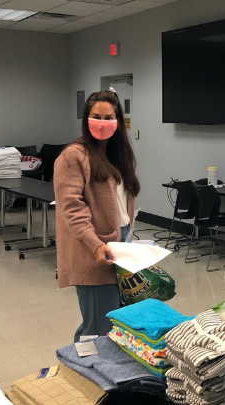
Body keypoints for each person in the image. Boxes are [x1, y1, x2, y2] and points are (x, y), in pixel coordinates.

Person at [54, 89, 139, 343]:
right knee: (97, 328)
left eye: (108, 117)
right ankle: (85, 373)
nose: (102, 123)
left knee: (115, 322)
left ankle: (105, 373)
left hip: (120, 244)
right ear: (85, 119)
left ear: (118, 121)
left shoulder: (116, 154)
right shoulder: (73, 156)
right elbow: (72, 207)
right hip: (93, 250)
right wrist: (95, 244)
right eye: (96, 117)